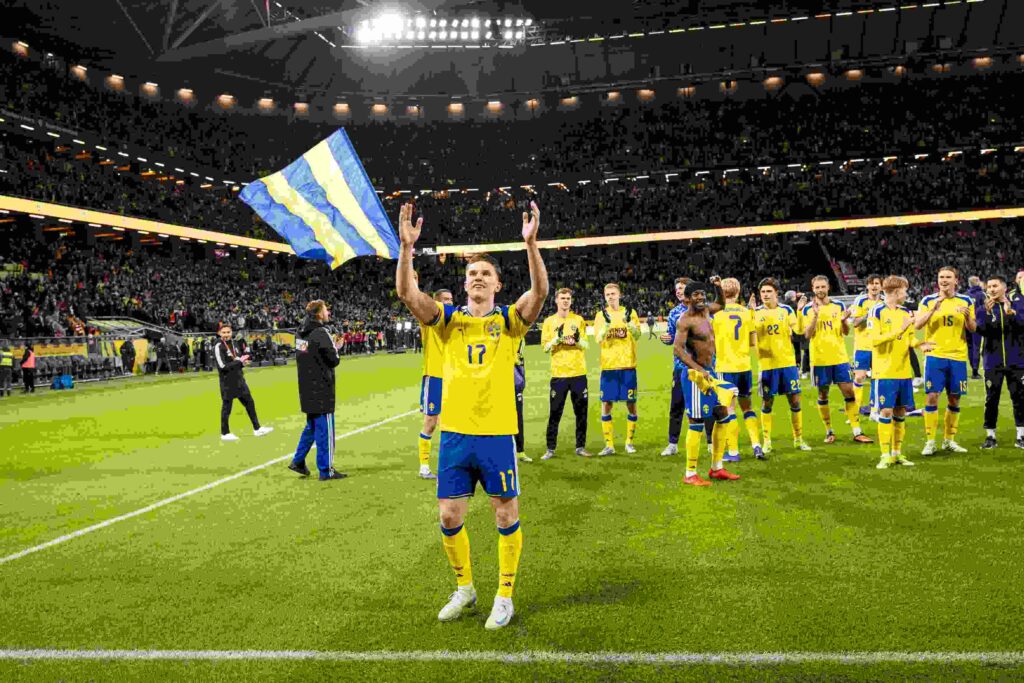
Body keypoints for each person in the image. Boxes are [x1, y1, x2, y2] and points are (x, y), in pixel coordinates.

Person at [396, 200, 548, 631]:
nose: (477, 278)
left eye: (485, 273)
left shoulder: (508, 321)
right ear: (464, 285)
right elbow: (408, 294)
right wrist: (407, 248)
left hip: (497, 434)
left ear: (498, 284)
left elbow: (539, 294)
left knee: (505, 513)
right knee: (449, 516)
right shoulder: (447, 320)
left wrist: (531, 243)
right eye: (471, 274)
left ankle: (504, 594)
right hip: (457, 434)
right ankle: (466, 588)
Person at [673, 282, 741, 486]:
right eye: (696, 294)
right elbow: (678, 349)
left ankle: (717, 468)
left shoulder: (706, 311)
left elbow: (721, 304)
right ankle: (690, 473)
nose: (701, 297)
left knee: (722, 414)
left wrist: (719, 287)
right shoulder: (685, 320)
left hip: (710, 371)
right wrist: (699, 369)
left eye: (703, 294)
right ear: (687, 298)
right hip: (695, 375)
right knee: (696, 421)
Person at [869, 276, 935, 469]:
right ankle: (884, 454)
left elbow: (910, 338)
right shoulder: (877, 311)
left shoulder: (905, 311)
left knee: (900, 412)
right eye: (904, 290)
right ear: (896, 291)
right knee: (886, 411)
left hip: (904, 371)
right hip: (885, 371)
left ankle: (897, 453)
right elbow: (875, 340)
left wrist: (920, 344)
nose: (906, 294)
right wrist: (900, 329)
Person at [801, 275, 872, 445]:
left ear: (828, 287)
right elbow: (807, 335)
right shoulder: (807, 309)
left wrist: (843, 321)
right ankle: (829, 431)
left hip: (839, 357)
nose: (820, 290)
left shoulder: (838, 305)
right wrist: (816, 316)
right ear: (813, 289)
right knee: (823, 394)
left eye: (823, 287)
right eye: (817, 287)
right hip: (819, 360)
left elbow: (846, 331)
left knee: (849, 392)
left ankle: (857, 431)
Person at [915, 266, 976, 455]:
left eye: (948, 277)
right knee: (932, 396)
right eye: (941, 277)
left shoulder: (966, 300)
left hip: (957, 356)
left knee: (955, 398)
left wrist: (967, 317)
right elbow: (917, 324)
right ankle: (930, 441)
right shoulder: (928, 300)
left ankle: (949, 440)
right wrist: (933, 308)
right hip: (935, 355)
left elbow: (973, 328)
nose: (944, 280)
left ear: (956, 280)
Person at [288, 300, 346, 481]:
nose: (328, 312)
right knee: (325, 430)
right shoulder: (322, 332)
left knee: (312, 427)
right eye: (326, 310)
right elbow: (333, 360)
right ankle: (326, 470)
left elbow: (306, 355)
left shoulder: (300, 333)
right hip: (322, 388)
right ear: (319, 314)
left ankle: (298, 461)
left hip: (306, 387)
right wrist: (337, 348)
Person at [753, 278, 811, 455]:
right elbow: (753, 337)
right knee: (767, 401)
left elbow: (799, 331)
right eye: (762, 292)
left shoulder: (786, 310)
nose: (765, 295)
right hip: (767, 365)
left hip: (787, 364)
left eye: (768, 291)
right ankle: (767, 441)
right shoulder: (755, 312)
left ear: (776, 293)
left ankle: (798, 439)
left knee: (794, 400)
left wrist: (800, 312)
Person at [711, 278, 763, 461]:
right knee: (747, 407)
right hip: (744, 366)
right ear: (738, 292)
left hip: (725, 367)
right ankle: (757, 445)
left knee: (729, 409)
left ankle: (733, 452)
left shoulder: (716, 314)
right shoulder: (746, 312)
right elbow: (752, 342)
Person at [540, 288, 591, 460]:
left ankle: (580, 446)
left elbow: (586, 345)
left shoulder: (578, 320)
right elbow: (545, 348)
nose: (565, 301)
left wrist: (576, 341)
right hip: (559, 375)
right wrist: (558, 339)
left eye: (568, 298)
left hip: (578, 373)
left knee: (581, 413)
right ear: (556, 301)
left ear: (571, 301)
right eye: (562, 298)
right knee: (555, 412)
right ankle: (550, 448)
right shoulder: (549, 322)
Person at [976, 276, 1024, 449]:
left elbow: (1022, 326)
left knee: (1019, 397)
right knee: (992, 399)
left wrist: (1012, 314)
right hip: (992, 362)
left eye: (995, 286)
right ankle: (990, 436)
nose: (991, 289)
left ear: (1004, 288)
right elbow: (981, 331)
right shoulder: (983, 309)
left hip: (1017, 361)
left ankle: (1021, 435)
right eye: (989, 287)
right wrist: (988, 315)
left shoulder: (1019, 304)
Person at [594, 283, 641, 455]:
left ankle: (629, 442)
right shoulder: (601, 315)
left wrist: (630, 324)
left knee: (631, 404)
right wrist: (606, 326)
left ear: (619, 295)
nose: (611, 296)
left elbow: (637, 335)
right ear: (604, 296)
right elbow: (598, 339)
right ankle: (609, 445)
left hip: (628, 365)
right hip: (609, 366)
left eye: (613, 293)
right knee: (606, 404)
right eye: (607, 294)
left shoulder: (630, 313)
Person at [417, 287, 454, 480]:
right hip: (435, 376)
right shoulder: (428, 322)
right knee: (430, 422)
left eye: (451, 300)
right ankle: (424, 466)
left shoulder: (455, 322)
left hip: (454, 378)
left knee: (452, 423)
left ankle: (452, 464)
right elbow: (415, 301)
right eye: (445, 300)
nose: (449, 303)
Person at [214, 322, 273, 441]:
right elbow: (222, 366)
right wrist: (239, 363)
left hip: (239, 379)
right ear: (219, 333)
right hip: (227, 382)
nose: (226, 334)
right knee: (227, 407)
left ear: (231, 332)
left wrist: (243, 363)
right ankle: (225, 433)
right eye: (223, 332)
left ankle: (257, 428)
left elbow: (237, 360)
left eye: (228, 332)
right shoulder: (218, 346)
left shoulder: (235, 344)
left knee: (249, 402)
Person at [660, 277, 690, 457]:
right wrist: (667, 339)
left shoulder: (703, 310)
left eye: (681, 288)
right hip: (680, 366)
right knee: (677, 405)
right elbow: (671, 336)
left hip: (701, 366)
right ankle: (672, 444)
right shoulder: (674, 313)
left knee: (708, 405)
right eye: (676, 288)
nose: (678, 291)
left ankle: (711, 442)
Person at [848, 275, 883, 420]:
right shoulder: (861, 301)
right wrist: (868, 315)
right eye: (871, 284)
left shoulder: (884, 302)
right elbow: (855, 323)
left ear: (881, 286)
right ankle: (854, 411)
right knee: (860, 376)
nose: (874, 286)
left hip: (878, 346)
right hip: (862, 346)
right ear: (867, 286)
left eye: (877, 283)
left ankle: (874, 410)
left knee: (877, 377)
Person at [514, 335, 530, 463]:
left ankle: (520, 451)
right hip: (498, 385)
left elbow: (519, 361)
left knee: (518, 418)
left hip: (515, 384)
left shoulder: (519, 339)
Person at [966, 275, 985, 380]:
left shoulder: (965, 295)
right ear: (977, 282)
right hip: (977, 324)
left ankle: (972, 367)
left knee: (970, 347)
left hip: (967, 325)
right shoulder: (982, 295)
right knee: (976, 347)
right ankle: (975, 371)